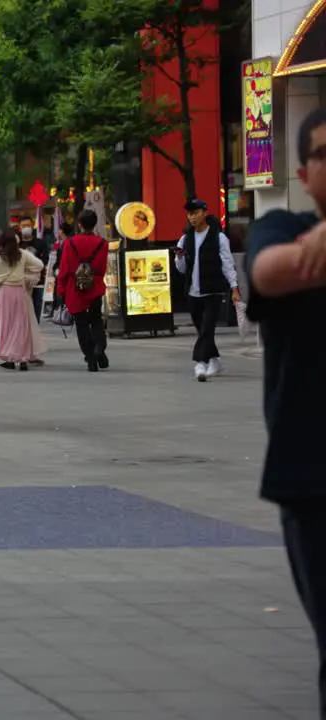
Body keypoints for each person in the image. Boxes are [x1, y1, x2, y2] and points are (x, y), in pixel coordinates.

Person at [246, 107, 326, 718]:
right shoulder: (280, 227)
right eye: (323, 153)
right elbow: (271, 275)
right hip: (314, 477)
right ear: (303, 171)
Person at [175, 199, 240, 381]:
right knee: (202, 329)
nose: (192, 217)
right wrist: (179, 258)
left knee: (207, 329)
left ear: (205, 212)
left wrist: (234, 287)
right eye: (189, 214)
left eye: (195, 213)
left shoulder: (218, 237)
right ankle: (215, 361)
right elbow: (181, 269)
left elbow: (228, 264)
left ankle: (200, 363)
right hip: (192, 291)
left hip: (213, 290)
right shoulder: (185, 238)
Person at [0, 229, 46, 370]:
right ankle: (23, 359)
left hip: (4, 293)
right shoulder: (22, 255)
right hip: (20, 292)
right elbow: (39, 265)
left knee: (5, 325)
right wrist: (25, 274)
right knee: (20, 325)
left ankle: (9, 358)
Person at [56, 210, 110, 372]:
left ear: (79, 224)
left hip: (75, 287)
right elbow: (102, 267)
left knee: (81, 324)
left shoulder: (69, 243)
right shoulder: (102, 243)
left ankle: (90, 357)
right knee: (96, 320)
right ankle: (99, 348)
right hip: (95, 284)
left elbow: (64, 268)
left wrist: (61, 289)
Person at [19, 215, 52, 321]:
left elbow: (45, 260)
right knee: (22, 312)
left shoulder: (40, 243)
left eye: (28, 225)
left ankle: (34, 333)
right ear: (19, 227)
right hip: (20, 283)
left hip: (37, 282)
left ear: (32, 226)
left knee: (36, 310)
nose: (26, 227)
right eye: (23, 226)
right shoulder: (17, 244)